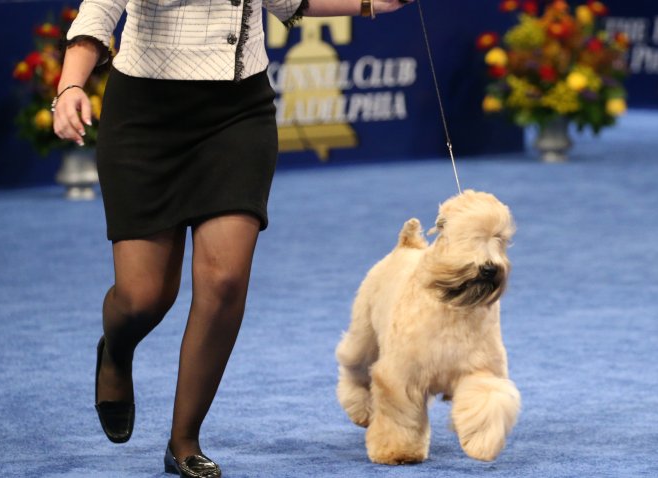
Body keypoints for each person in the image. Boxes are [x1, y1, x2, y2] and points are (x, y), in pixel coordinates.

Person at [52, 0, 413, 476]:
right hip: (145, 115)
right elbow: (100, 9)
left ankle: (184, 439)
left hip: (237, 115)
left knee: (224, 282)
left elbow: (287, 1)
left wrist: (373, 3)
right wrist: (71, 84)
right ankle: (115, 353)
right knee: (142, 297)